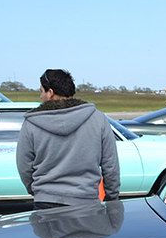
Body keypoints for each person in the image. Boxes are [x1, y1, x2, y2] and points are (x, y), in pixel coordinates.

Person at [17, 69, 121, 210]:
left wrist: (38, 191)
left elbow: (24, 165)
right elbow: (111, 165)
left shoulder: (31, 123)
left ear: (50, 92)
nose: (41, 97)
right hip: (86, 201)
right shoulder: (98, 119)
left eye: (41, 91)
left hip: (45, 201)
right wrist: (112, 198)